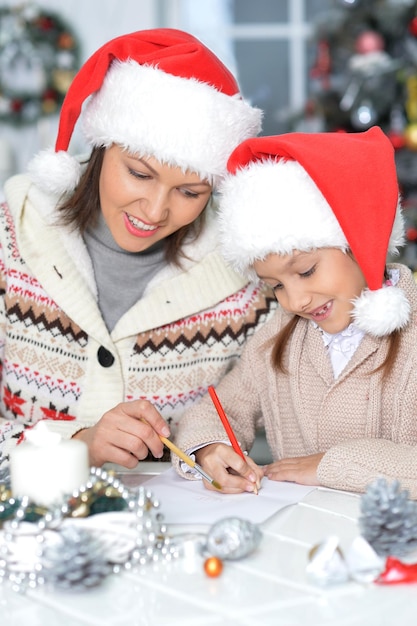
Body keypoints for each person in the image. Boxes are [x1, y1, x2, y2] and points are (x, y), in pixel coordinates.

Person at [0, 28, 277, 470]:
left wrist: (209, 446)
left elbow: (261, 409)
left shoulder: (246, 273)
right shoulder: (11, 235)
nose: (155, 210)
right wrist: (76, 444)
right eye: (139, 174)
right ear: (102, 147)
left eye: (189, 192)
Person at [173, 126, 417, 499]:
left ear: (359, 239)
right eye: (277, 286)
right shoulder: (279, 335)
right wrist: (210, 448)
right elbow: (217, 409)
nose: (297, 300)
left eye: (305, 271)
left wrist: (330, 465)